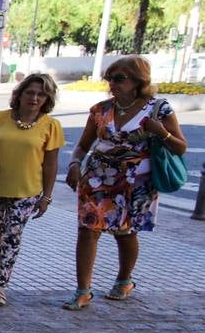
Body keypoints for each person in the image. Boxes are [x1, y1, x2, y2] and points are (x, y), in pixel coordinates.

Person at [62, 55, 187, 310]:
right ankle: (83, 290)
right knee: (87, 230)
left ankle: (124, 280)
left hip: (136, 182)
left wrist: (161, 132)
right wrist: (74, 164)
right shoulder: (101, 109)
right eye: (109, 78)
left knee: (125, 233)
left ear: (138, 80)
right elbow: (83, 145)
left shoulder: (159, 109)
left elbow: (181, 147)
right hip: (98, 177)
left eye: (119, 78)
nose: (112, 83)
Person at [0, 73, 64, 307]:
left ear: (47, 99)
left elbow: (51, 163)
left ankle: (1, 285)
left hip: (26, 191)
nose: (34, 98)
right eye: (30, 92)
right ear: (19, 94)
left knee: (11, 237)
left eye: (41, 94)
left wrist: (47, 197)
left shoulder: (51, 126)